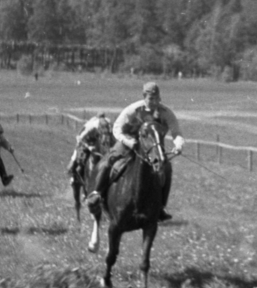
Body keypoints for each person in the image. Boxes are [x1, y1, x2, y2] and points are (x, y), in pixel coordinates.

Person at [87, 82, 185, 220]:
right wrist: (128, 141)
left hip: (152, 148)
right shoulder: (133, 110)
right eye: (151, 99)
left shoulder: (166, 113)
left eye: (157, 98)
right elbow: (117, 128)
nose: (155, 102)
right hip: (129, 143)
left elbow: (176, 132)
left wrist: (178, 145)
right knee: (110, 160)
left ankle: (160, 207)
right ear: (144, 97)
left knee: (166, 168)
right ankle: (97, 193)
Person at [67, 110, 114, 177]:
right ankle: (73, 169)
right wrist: (88, 147)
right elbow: (79, 138)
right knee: (80, 155)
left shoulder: (108, 124)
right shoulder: (91, 126)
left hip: (96, 140)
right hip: (85, 140)